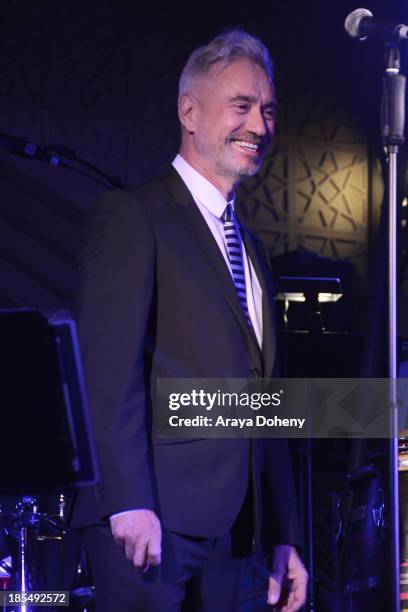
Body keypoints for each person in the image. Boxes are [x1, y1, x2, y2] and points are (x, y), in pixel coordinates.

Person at [72, 28, 308, 611]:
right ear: (189, 111)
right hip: (151, 525)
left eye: (268, 110)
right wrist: (125, 500)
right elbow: (106, 372)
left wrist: (284, 533)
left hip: (237, 538)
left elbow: (265, 399)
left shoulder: (250, 247)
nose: (259, 124)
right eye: (242, 106)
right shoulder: (133, 216)